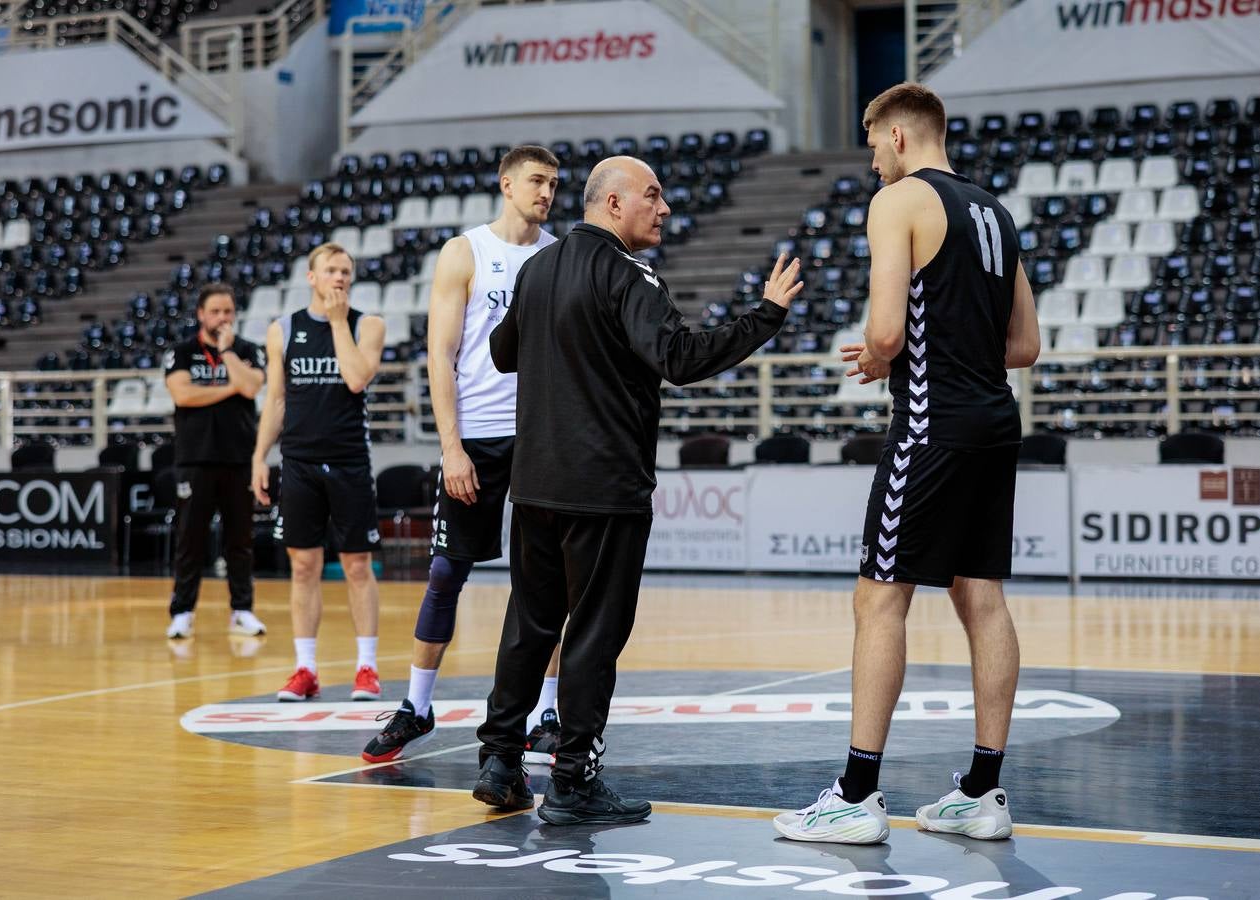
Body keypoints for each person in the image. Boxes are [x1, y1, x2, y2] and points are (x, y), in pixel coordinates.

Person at [471, 155, 803, 825]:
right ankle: (572, 782)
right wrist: (764, 317)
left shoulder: (537, 269)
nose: (664, 208)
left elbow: (504, 352)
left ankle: (501, 763)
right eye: (652, 195)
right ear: (613, 203)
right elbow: (678, 358)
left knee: (528, 628)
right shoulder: (628, 275)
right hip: (603, 489)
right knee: (593, 636)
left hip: (534, 483)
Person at [772, 82, 1041, 846]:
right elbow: (1025, 347)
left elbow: (885, 332)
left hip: (929, 425)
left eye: (868, 139)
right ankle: (983, 794)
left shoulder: (897, 203)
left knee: (878, 598)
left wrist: (876, 352)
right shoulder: (995, 210)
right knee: (979, 596)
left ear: (895, 135)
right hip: (994, 420)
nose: (868, 158)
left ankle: (855, 794)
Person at [361, 145, 566, 764]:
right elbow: (439, 356)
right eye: (536, 181)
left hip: (537, 437)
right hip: (474, 438)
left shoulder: (557, 256)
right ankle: (416, 707)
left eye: (555, 184)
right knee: (447, 573)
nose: (547, 193)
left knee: (544, 580)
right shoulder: (465, 252)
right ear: (506, 184)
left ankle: (546, 711)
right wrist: (451, 447)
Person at [251, 242, 387, 702]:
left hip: (349, 461)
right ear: (311, 277)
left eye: (346, 271)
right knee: (304, 566)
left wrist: (335, 322)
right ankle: (305, 668)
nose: (340, 278)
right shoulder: (282, 330)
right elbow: (276, 400)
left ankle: (366, 666)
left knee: (357, 565)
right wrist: (258, 457)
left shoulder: (368, 325)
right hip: (299, 463)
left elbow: (355, 378)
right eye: (330, 270)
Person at [163, 283, 267, 640]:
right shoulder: (182, 352)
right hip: (196, 458)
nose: (223, 318)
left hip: (239, 457)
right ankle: (182, 612)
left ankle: (242, 610)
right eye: (216, 311)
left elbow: (252, 387)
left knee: (240, 540)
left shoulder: (246, 350)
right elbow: (182, 394)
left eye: (228, 311)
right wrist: (229, 388)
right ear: (201, 315)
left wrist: (228, 355)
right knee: (190, 538)